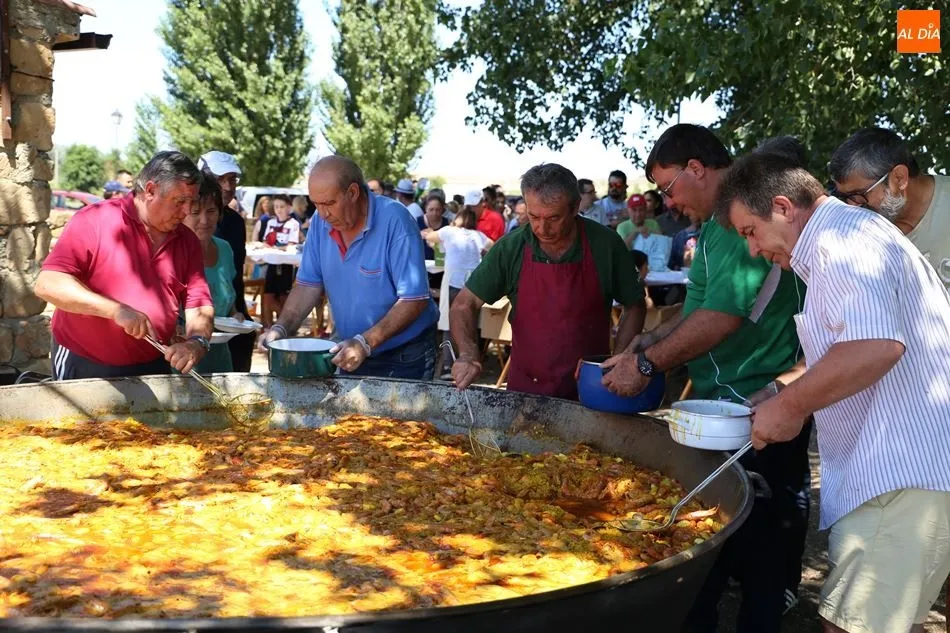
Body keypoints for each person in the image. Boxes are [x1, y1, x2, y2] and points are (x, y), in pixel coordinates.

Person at [716, 151, 950, 633]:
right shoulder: (848, 234)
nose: (753, 250)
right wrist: (780, 390)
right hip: (905, 471)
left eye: (750, 232)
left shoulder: (840, 240)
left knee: (849, 626)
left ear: (783, 207)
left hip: (900, 471)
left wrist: (789, 407)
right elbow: (852, 343)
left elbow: (875, 345)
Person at [599, 124, 810, 633]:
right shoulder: (715, 225)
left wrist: (647, 365)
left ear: (696, 168)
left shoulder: (742, 221)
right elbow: (696, 307)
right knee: (711, 533)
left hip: (759, 403)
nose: (668, 203)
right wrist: (649, 340)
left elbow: (722, 317)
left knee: (757, 547)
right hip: (720, 404)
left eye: (668, 187)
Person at [451, 163, 646, 399]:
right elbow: (463, 304)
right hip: (525, 390)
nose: (542, 228)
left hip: (591, 388)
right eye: (534, 216)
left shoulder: (606, 245)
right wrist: (468, 354)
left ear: (575, 207)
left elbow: (635, 305)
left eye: (554, 218)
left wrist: (618, 361)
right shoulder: (511, 247)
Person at [36, 151, 213, 379]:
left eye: (192, 202)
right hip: (84, 361)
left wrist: (196, 342)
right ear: (150, 190)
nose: (187, 211)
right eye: (180, 201)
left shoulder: (187, 240)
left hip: (153, 362)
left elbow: (198, 302)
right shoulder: (95, 219)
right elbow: (48, 284)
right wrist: (115, 310)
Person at [260, 156, 439, 379]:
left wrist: (366, 342)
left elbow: (414, 299)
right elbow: (307, 285)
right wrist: (281, 328)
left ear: (353, 193)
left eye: (329, 203)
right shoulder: (320, 222)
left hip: (404, 355)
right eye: (316, 204)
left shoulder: (396, 220)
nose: (322, 214)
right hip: (351, 348)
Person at [830, 127, 950, 291]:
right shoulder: (864, 239)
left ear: (899, 178)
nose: (852, 206)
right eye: (844, 197)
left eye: (858, 194)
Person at [198, 150, 255, 372]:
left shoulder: (236, 223)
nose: (228, 186)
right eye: (220, 178)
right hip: (193, 331)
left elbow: (233, 278)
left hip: (234, 323)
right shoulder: (180, 225)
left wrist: (234, 312)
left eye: (232, 179)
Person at [181, 176, 242, 373]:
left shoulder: (225, 249)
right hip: (184, 360)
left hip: (220, 355)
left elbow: (226, 297)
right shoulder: (174, 254)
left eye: (211, 211)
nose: (204, 220)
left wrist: (235, 316)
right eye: (195, 212)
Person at [260, 194, 301, 329]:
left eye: (282, 207)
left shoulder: (293, 224)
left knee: (284, 297)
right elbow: (266, 242)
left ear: (289, 208)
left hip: (286, 264)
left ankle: (285, 326)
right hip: (272, 263)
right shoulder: (271, 222)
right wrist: (268, 246)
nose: (279, 210)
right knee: (267, 296)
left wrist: (276, 247)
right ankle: (268, 327)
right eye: (276, 206)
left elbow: (291, 245)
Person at [417, 195, 449, 260]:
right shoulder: (417, 222)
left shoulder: (447, 224)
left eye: (438, 210)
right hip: (421, 262)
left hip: (440, 263)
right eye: (431, 209)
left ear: (442, 209)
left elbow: (449, 248)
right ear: (426, 208)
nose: (434, 213)